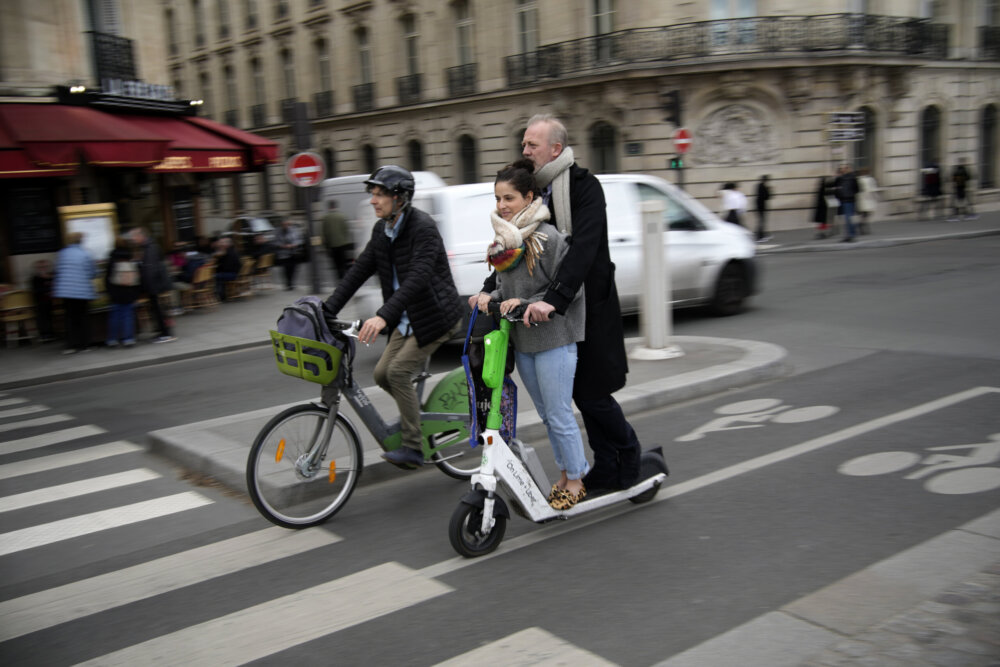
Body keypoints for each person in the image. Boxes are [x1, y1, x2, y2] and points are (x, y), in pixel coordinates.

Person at [474, 114, 643, 493]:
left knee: (592, 394)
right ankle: (600, 467)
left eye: (533, 144)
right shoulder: (528, 192)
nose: (525, 150)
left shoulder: (583, 187)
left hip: (587, 304)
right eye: (524, 144)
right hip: (548, 309)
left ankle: (628, 452)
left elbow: (583, 249)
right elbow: (510, 253)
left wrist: (555, 299)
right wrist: (489, 289)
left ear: (556, 149)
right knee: (572, 398)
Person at [323, 165, 463, 469]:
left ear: (400, 198)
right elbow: (359, 271)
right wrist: (325, 310)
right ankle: (416, 418)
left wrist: (383, 316)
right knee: (380, 374)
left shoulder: (422, 228)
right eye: (372, 194)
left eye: (380, 194)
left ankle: (413, 448)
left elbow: (418, 277)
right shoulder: (381, 230)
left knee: (397, 372)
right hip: (406, 317)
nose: (373, 200)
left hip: (434, 316)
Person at [476, 159, 588, 509]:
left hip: (554, 339)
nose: (501, 206)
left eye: (509, 198)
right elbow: (504, 286)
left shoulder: (548, 238)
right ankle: (566, 473)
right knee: (546, 414)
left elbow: (570, 290)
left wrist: (528, 303)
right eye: (498, 198)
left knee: (558, 413)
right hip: (524, 342)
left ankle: (577, 478)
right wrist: (487, 297)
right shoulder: (504, 243)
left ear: (529, 197)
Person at [129, 227, 176, 343]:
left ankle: (166, 334)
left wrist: (147, 287)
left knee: (159, 310)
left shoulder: (150, 248)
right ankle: (163, 332)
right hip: (155, 284)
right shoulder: (149, 246)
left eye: (134, 237)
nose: (133, 240)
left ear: (141, 236)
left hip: (155, 284)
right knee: (158, 310)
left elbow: (150, 269)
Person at [52, 231, 96, 354]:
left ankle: (71, 345)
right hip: (82, 292)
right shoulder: (85, 254)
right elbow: (92, 273)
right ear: (80, 241)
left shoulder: (62, 254)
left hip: (66, 291)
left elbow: (57, 271)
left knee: (70, 318)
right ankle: (84, 345)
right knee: (83, 318)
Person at [104, 235, 141, 348]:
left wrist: (109, 291)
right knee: (128, 315)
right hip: (128, 291)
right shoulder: (130, 257)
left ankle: (112, 340)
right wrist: (136, 292)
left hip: (115, 291)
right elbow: (137, 276)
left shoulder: (112, 258)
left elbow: (108, 277)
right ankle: (128, 339)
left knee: (114, 316)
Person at [321, 199, 354, 281]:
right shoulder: (342, 216)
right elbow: (346, 230)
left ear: (329, 207)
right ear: (336, 206)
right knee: (343, 263)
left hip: (332, 245)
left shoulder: (326, 218)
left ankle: (339, 279)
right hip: (343, 244)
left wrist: (325, 246)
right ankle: (345, 278)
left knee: (336, 264)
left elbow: (324, 233)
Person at [30, 259, 56, 342]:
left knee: (49, 317)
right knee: (42, 317)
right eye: (41, 267)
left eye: (45, 266)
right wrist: (47, 291)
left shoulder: (51, 277)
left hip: (49, 301)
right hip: (40, 301)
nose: (43, 268)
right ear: (37, 268)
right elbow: (36, 290)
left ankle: (50, 333)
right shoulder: (35, 278)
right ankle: (44, 334)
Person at [833, 164, 859, 242]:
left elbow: (837, 187)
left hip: (846, 200)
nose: (843, 170)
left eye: (844, 168)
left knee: (848, 218)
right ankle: (851, 234)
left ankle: (850, 235)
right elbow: (857, 189)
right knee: (849, 218)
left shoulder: (844, 178)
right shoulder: (851, 177)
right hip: (848, 199)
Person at [275, 219, 303, 291]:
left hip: (293, 253)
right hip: (283, 254)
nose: (285, 226)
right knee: (285, 269)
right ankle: (288, 284)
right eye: (284, 225)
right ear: (281, 225)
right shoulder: (278, 232)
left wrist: (293, 245)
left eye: (287, 224)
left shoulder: (294, 231)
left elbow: (299, 240)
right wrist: (283, 246)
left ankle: (291, 283)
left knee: (293, 269)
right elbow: (276, 242)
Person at [213, 236, 242, 300]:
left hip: (232, 274)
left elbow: (226, 267)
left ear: (228, 244)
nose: (220, 244)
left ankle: (221, 295)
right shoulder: (231, 251)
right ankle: (222, 294)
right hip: (234, 273)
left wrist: (217, 268)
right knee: (218, 276)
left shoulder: (228, 253)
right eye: (220, 243)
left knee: (215, 276)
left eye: (223, 243)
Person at [855, 167, 878, 234]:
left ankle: (863, 226)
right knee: (866, 214)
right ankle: (861, 225)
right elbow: (873, 189)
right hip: (868, 198)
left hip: (861, 199)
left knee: (864, 214)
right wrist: (876, 197)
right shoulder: (870, 179)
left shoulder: (859, 179)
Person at [754, 175, 771, 242]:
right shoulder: (763, 186)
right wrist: (769, 190)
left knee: (761, 221)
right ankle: (759, 237)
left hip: (759, 206)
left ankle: (762, 235)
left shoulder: (759, 186)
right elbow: (766, 197)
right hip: (761, 207)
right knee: (761, 222)